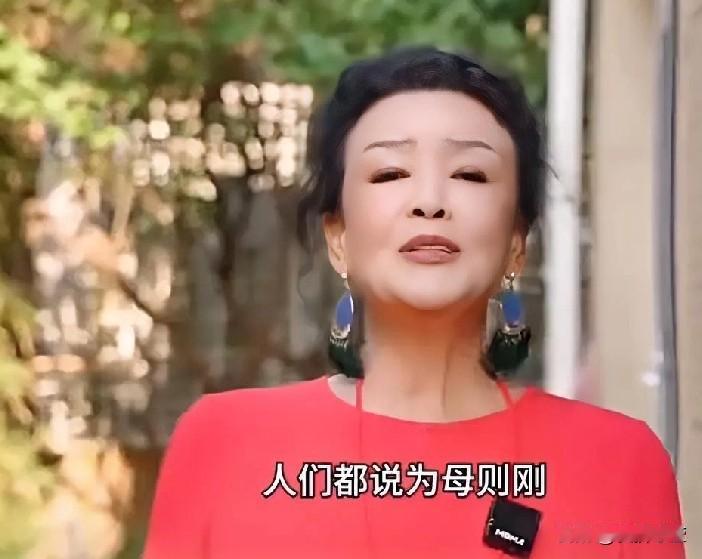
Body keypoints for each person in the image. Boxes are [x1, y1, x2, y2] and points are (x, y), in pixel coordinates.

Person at [142, 46, 686, 559]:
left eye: (470, 174)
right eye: (390, 173)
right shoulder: (222, 444)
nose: (429, 202)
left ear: (516, 245)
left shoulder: (621, 460)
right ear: (338, 239)